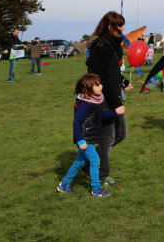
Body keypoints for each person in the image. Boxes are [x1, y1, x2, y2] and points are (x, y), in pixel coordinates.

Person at [57, 73, 123, 197]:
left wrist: (115, 112)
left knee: (80, 162)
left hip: (89, 137)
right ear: (87, 89)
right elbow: (77, 123)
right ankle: (96, 189)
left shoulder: (95, 100)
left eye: (100, 83)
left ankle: (64, 185)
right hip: (84, 138)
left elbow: (99, 116)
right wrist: (81, 140)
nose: (101, 87)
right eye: (97, 85)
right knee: (95, 160)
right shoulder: (84, 104)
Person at [85, 11, 131, 189]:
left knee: (121, 135)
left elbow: (112, 72)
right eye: (120, 25)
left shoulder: (111, 44)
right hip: (102, 98)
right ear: (110, 27)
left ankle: (90, 164)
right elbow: (102, 76)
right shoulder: (102, 46)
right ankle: (101, 175)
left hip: (112, 95)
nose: (123, 28)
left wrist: (123, 81)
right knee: (107, 138)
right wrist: (117, 104)